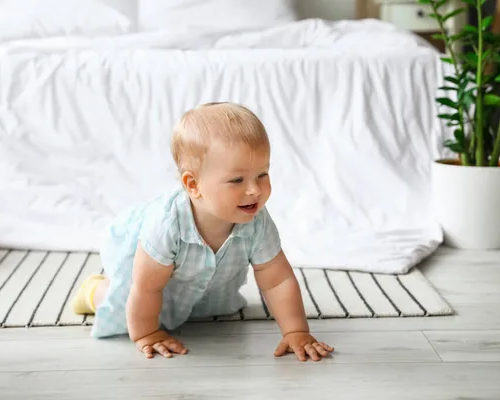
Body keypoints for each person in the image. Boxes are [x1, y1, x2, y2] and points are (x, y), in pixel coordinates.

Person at [71, 102, 334, 362]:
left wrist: (296, 331)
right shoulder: (167, 224)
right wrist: (147, 333)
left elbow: (277, 280)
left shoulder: (256, 221)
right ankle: (93, 291)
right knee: (125, 305)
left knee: (207, 312)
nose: (254, 190)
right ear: (193, 185)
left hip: (205, 284)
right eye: (237, 180)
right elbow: (146, 287)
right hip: (148, 279)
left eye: (262, 174)